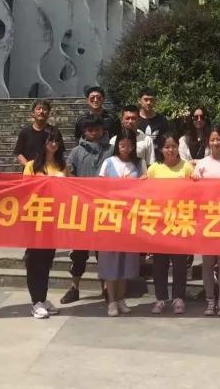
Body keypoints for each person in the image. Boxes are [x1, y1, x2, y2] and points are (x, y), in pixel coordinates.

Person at [61, 114, 111, 305]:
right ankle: (74, 287)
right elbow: (68, 175)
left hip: (104, 209)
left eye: (97, 129)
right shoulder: (76, 152)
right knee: (79, 253)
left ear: (102, 130)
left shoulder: (110, 150)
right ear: (84, 131)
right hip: (81, 210)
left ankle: (106, 288)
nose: (94, 132)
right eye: (90, 129)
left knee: (103, 252)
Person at [146, 132, 194, 314]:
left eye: (174, 146)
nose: (170, 150)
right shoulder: (154, 169)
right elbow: (145, 192)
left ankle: (179, 298)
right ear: (160, 149)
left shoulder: (186, 167)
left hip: (181, 221)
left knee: (180, 263)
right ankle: (160, 299)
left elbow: (196, 192)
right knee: (160, 263)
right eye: (166, 147)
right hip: (160, 223)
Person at [23, 127, 69, 318]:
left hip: (53, 218)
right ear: (43, 143)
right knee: (34, 260)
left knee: (47, 260)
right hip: (35, 218)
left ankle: (42, 298)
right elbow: (25, 190)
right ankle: (36, 301)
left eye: (57, 140)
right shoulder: (32, 166)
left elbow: (68, 191)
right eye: (50, 140)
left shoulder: (62, 166)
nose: (54, 144)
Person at [98, 128, 144, 317]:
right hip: (110, 217)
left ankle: (121, 298)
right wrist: (118, 187)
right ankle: (111, 300)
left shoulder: (139, 164)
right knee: (110, 260)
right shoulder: (108, 162)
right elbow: (99, 188)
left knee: (127, 261)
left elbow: (145, 188)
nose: (125, 147)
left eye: (129, 144)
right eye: (122, 144)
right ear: (117, 145)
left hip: (130, 218)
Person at [192, 127, 220, 316]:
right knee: (208, 262)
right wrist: (194, 180)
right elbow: (194, 192)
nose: (216, 143)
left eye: (218, 139)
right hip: (206, 217)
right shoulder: (201, 164)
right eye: (212, 139)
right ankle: (210, 300)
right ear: (208, 142)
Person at [109, 105, 154, 171]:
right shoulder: (114, 140)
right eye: (127, 118)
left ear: (139, 120)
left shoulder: (147, 140)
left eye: (133, 118)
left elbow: (150, 164)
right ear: (122, 120)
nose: (130, 121)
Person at [13, 98, 55, 167]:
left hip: (49, 171)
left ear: (48, 114)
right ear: (32, 113)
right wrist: (30, 167)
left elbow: (59, 153)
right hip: (29, 172)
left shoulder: (54, 131)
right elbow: (19, 154)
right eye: (38, 109)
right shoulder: (24, 132)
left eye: (44, 109)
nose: (41, 111)